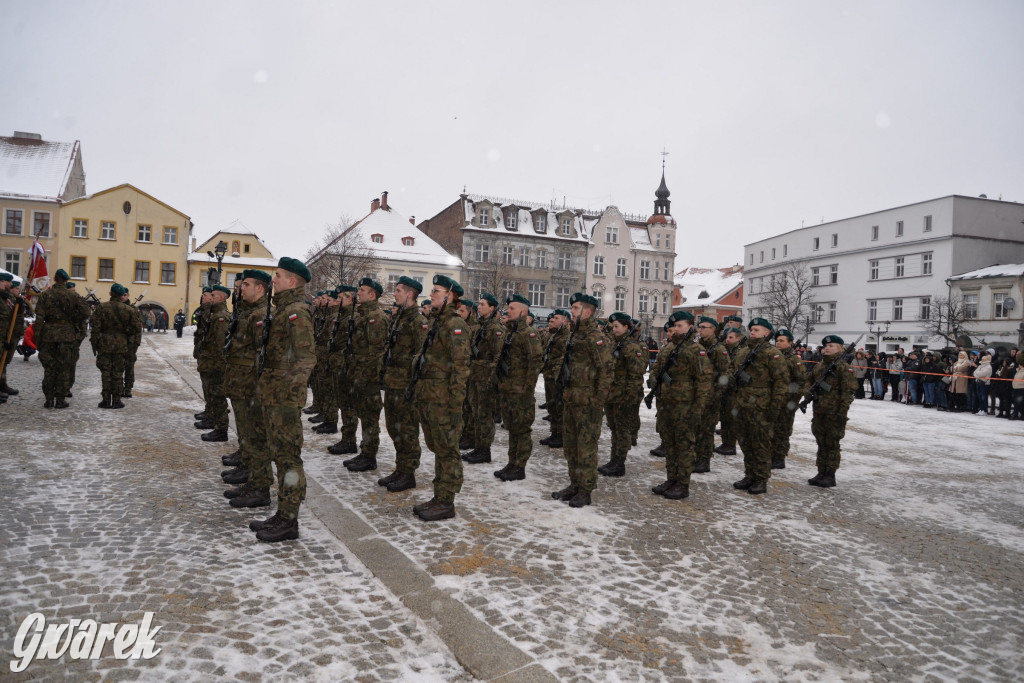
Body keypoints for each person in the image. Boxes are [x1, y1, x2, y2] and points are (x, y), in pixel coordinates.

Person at [248, 257, 316, 542]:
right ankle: (283, 513)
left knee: (289, 457)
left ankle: (289, 520)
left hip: (284, 400)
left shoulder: (296, 313)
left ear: (291, 281)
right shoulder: (282, 310)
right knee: (280, 455)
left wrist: (289, 396)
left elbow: (306, 358)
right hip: (274, 395)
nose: (272, 280)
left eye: (277, 276)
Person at [410, 275, 471, 522]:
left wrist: (455, 404)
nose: (431, 294)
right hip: (430, 398)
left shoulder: (455, 325)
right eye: (433, 290)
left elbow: (461, 367)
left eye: (437, 291)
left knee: (448, 450)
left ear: (450, 296)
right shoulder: (435, 322)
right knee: (439, 448)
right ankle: (439, 496)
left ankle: (446, 502)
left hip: (444, 401)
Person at [550, 293, 612, 508]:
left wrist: (597, 401)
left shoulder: (596, 337)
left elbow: (606, 373)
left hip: (587, 403)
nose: (572, 312)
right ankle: (574, 484)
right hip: (571, 399)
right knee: (571, 445)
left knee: (585, 447)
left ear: (587, 312)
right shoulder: (574, 336)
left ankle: (585, 489)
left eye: (575, 308)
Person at [222, 270, 273, 508]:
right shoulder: (249, 313)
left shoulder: (261, 315)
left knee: (256, 438)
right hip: (241, 383)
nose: (241, 288)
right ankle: (253, 479)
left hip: (251, 386)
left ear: (260, 289)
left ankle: (260, 487)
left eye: (247, 285)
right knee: (247, 436)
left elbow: (260, 355)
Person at [378, 276, 428, 492]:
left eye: (398, 290)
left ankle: (408, 473)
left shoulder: (418, 322)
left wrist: (413, 385)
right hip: (393, 383)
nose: (394, 293)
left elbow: (421, 356)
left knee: (407, 431)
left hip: (406, 386)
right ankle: (400, 468)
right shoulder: (400, 319)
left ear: (409, 294)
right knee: (394, 428)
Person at [731, 318, 788, 495]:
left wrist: (774, 407)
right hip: (743, 404)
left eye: (757, 330)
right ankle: (749, 475)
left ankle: (761, 478)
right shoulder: (742, 352)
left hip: (762, 407)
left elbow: (781, 383)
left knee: (761, 443)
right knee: (745, 442)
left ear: (767, 333)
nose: (753, 332)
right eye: (751, 329)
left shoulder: (773, 354)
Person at [493, 294, 543, 481]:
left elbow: (535, 363)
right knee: (512, 428)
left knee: (521, 430)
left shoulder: (529, 334)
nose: (508, 311)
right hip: (508, 389)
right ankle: (511, 463)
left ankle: (519, 466)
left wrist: (527, 390)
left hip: (520, 392)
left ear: (523, 311)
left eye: (512, 308)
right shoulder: (510, 332)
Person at [341, 278, 388, 473]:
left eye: (362, 290)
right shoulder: (363, 315)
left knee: (370, 417)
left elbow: (377, 352)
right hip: (358, 375)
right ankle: (364, 451)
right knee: (363, 415)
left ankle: (369, 456)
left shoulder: (376, 317)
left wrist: (366, 377)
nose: (358, 293)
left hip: (368, 378)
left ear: (372, 295)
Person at [30, 270, 90, 407]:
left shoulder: (45, 295)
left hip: (49, 334)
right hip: (67, 335)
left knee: (49, 368)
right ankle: (60, 400)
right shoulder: (73, 295)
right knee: (64, 367)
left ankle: (49, 399)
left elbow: (38, 319)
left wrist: (38, 338)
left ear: (54, 279)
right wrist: (73, 319)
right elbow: (86, 312)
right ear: (66, 281)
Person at [598, 313, 647, 478]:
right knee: (614, 428)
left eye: (617, 326)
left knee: (622, 430)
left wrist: (630, 396)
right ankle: (614, 460)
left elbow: (637, 373)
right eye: (613, 326)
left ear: (626, 327)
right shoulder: (613, 344)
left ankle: (619, 462)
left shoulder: (631, 347)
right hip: (612, 394)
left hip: (624, 395)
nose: (614, 329)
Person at [804, 335, 857, 488]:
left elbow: (848, 392)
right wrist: (808, 392)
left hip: (835, 412)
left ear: (841, 349)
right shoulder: (820, 366)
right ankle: (821, 471)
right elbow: (810, 381)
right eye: (826, 346)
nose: (827, 348)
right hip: (819, 410)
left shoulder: (843, 367)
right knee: (821, 442)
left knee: (832, 443)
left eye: (832, 346)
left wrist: (842, 413)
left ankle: (830, 474)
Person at [464, 292, 505, 464]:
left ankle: (484, 450)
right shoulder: (481, 325)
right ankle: (478, 446)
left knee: (485, 415)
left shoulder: (495, 329)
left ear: (492, 308)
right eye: (479, 304)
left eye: (482, 304)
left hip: (486, 379)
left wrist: (491, 380)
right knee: (476, 412)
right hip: (476, 377)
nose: (479, 307)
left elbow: (498, 357)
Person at [89, 283, 137, 408]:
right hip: (121, 344)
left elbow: (95, 327)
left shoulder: (101, 308)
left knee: (105, 372)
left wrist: (94, 343)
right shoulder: (129, 310)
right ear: (122, 295)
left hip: (105, 343)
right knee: (117, 372)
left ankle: (105, 400)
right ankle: (116, 400)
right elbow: (135, 329)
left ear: (110, 293)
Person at [694, 316, 730, 474]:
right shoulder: (698, 347)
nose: (700, 330)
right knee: (697, 428)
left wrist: (714, 394)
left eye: (704, 327)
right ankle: (697, 456)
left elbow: (725, 375)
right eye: (699, 327)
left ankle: (704, 460)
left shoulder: (718, 349)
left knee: (706, 430)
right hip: (697, 395)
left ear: (713, 329)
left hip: (710, 397)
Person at [327, 286, 360, 455]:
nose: (338, 301)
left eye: (342, 298)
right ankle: (346, 438)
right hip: (338, 364)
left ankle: (349, 440)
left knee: (348, 406)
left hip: (346, 366)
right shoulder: (343, 317)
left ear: (351, 299)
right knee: (343, 404)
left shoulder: (353, 318)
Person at [196, 285, 232, 441]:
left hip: (216, 365)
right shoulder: (214, 314)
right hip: (210, 362)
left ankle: (221, 429)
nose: (210, 297)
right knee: (212, 396)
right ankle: (216, 423)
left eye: (213, 295)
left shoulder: (221, 317)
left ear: (222, 298)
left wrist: (217, 365)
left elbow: (219, 345)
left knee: (218, 397)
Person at [769, 329, 807, 470]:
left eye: (782, 341)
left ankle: (779, 458)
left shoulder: (794, 360)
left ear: (790, 343)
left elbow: (801, 382)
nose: (778, 343)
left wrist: (793, 400)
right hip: (774, 400)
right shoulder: (774, 357)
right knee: (772, 428)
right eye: (777, 340)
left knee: (782, 430)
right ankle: (772, 454)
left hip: (787, 401)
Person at [538, 309, 571, 449]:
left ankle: (562, 435)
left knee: (559, 406)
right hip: (549, 373)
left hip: (559, 376)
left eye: (557, 318)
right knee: (552, 405)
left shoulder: (568, 337)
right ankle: (554, 433)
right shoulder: (554, 336)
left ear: (565, 321)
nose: (554, 320)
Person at [713, 328, 746, 455]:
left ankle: (730, 445)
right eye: (728, 337)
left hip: (733, 390)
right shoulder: (726, 350)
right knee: (725, 417)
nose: (728, 339)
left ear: (738, 339)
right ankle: (726, 443)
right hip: (725, 388)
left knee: (730, 419)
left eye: (731, 337)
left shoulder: (740, 352)